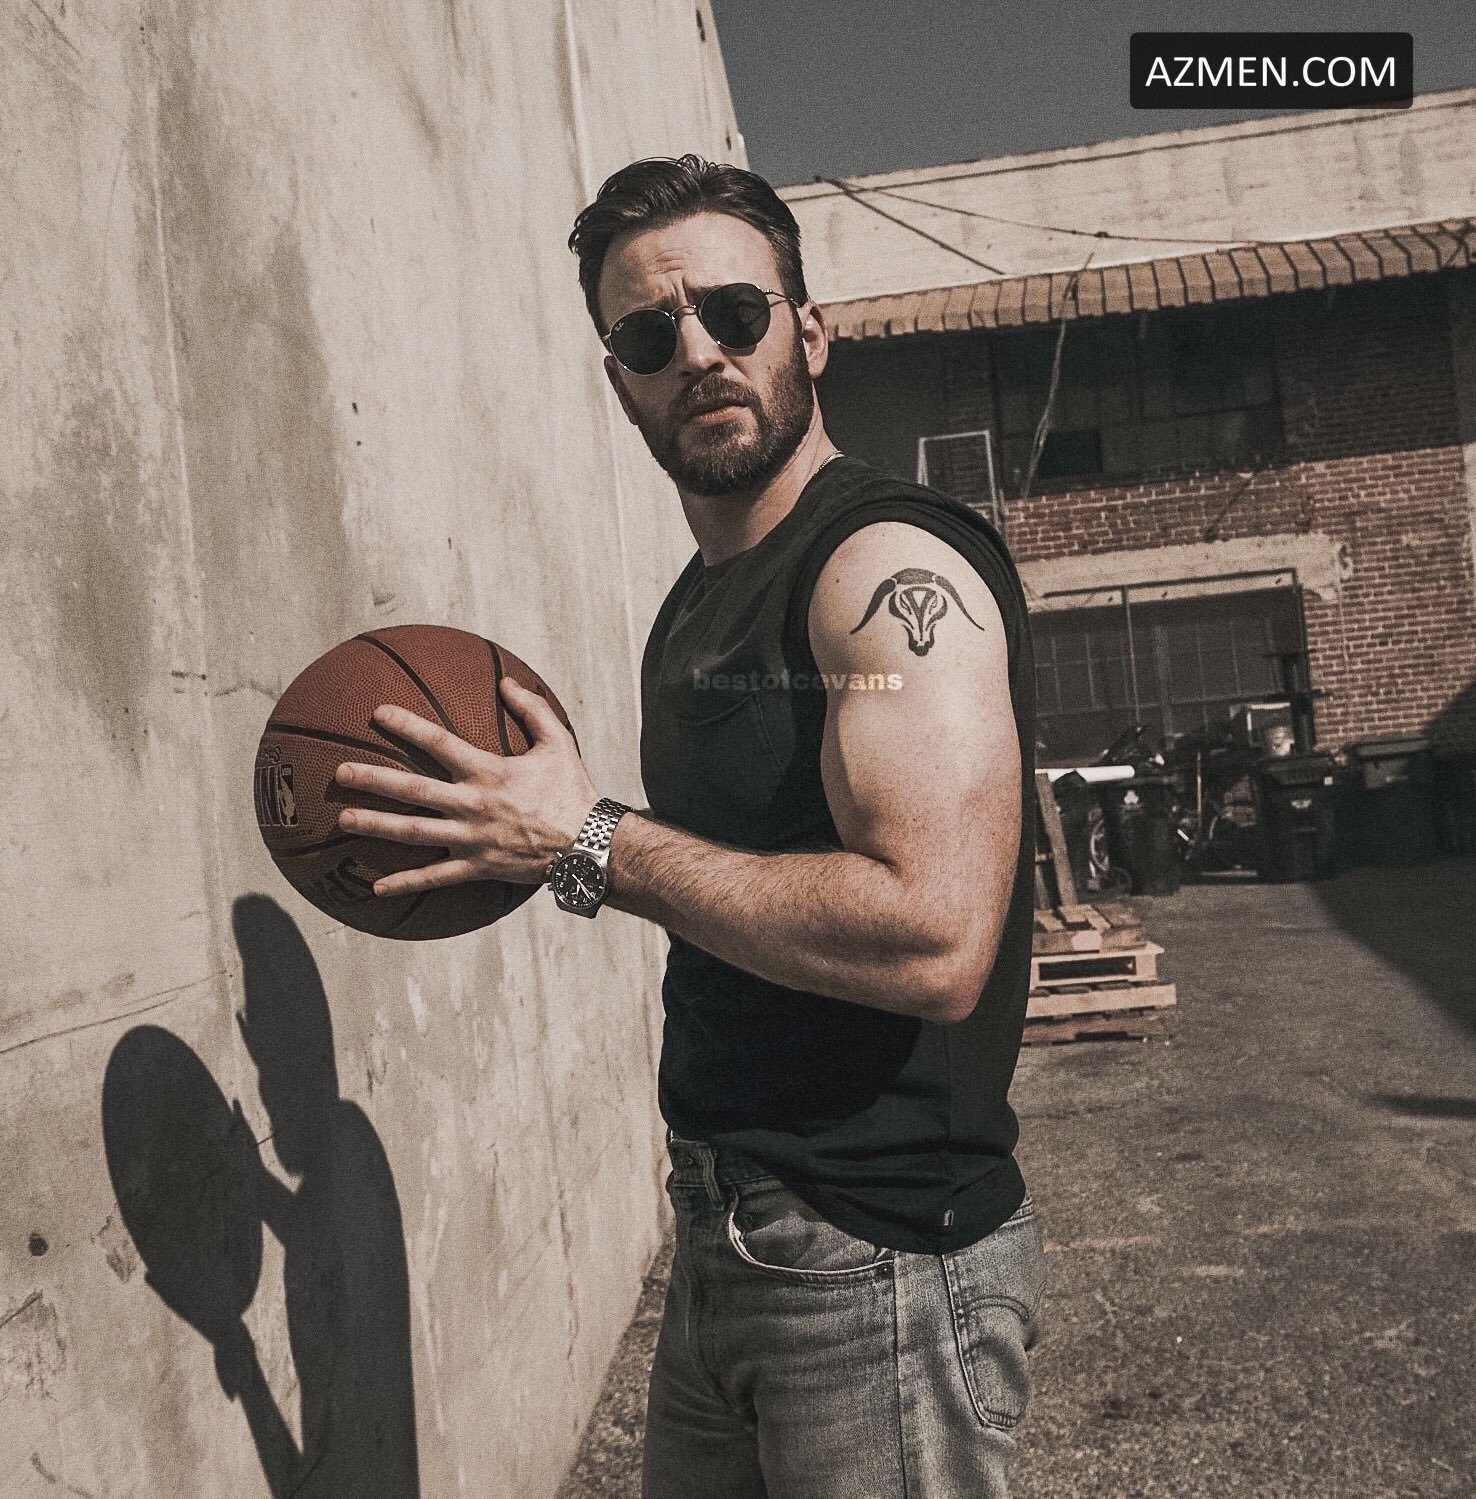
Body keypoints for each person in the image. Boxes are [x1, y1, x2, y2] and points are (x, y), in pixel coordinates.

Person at [333, 154, 1045, 1498]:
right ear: (620, 382)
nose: (701, 353)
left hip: (875, 1253)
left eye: (734, 312)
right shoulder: (698, 601)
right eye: (652, 336)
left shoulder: (883, 569)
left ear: (809, 333)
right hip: (729, 1227)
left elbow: (935, 935)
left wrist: (590, 840)